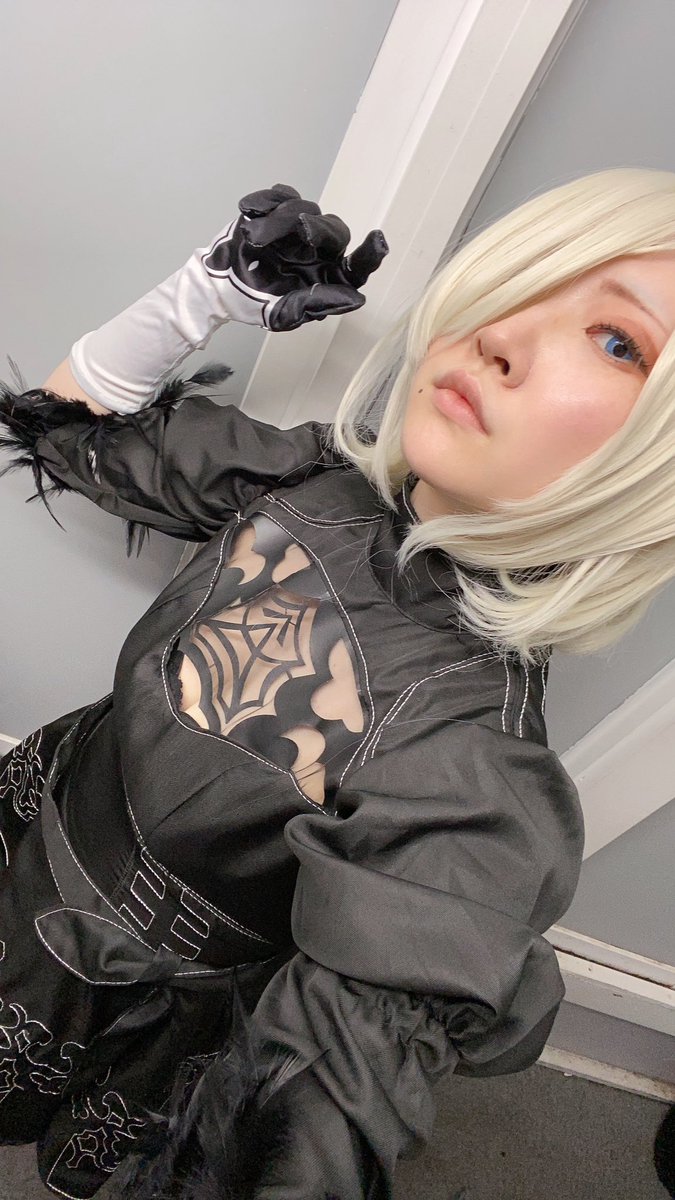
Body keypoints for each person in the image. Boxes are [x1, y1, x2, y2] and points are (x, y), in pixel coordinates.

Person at [0, 168, 674, 1199]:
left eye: (618, 341)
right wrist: (204, 293)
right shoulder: (314, 482)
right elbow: (73, 425)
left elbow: (307, 1124)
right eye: (522, 284)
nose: (500, 332)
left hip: (126, 998)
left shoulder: (470, 769)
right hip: (37, 819)